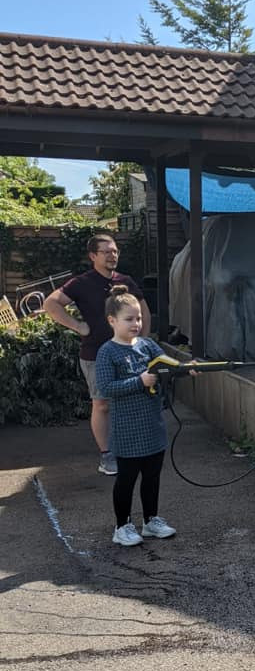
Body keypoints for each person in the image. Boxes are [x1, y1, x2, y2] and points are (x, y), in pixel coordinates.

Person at [44, 233, 150, 476]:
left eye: (115, 251)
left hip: (127, 354)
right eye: (107, 252)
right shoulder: (81, 283)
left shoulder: (126, 281)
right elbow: (51, 304)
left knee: (129, 402)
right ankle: (107, 455)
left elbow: (143, 311)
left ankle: (129, 449)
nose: (113, 255)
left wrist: (142, 341)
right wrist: (78, 326)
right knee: (102, 404)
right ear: (93, 256)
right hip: (95, 354)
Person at [94, 285, 176, 547]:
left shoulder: (147, 345)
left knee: (152, 476)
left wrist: (188, 368)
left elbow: (167, 365)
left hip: (153, 426)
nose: (136, 323)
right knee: (127, 480)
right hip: (128, 430)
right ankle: (122, 526)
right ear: (112, 321)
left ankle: (151, 520)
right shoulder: (107, 351)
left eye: (138, 318)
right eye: (129, 319)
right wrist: (139, 381)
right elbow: (107, 388)